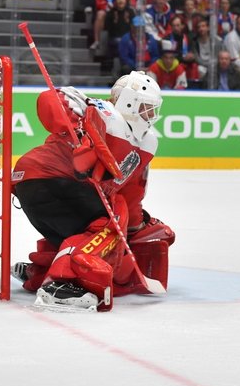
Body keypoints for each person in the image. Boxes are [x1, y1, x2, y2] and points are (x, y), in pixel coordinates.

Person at [10, 72, 173, 312]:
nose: (150, 115)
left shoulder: (147, 142)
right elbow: (49, 100)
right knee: (109, 221)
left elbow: (131, 192)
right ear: (129, 102)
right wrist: (76, 131)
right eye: (146, 108)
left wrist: (136, 227)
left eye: (152, 109)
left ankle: (40, 271)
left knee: (100, 222)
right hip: (50, 177)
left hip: (36, 183)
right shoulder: (101, 112)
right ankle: (63, 284)